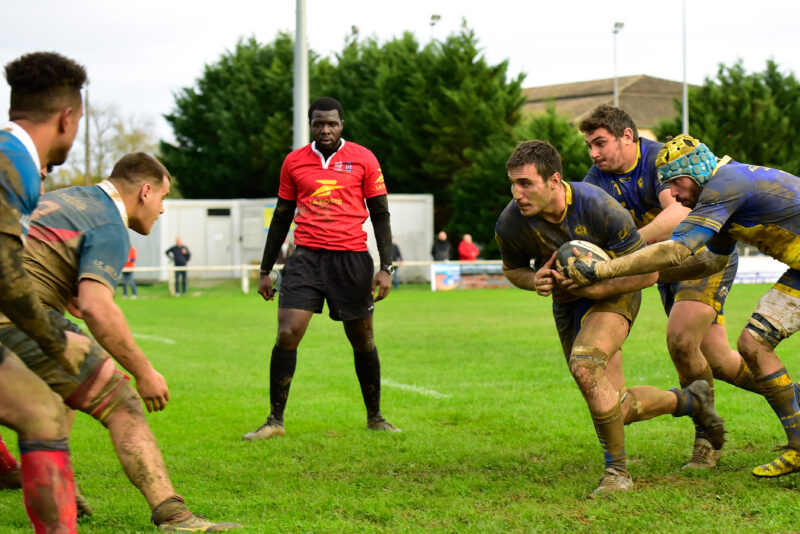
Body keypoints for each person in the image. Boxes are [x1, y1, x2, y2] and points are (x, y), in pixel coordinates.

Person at [0, 152, 242, 532]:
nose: (162, 210)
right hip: (15, 320)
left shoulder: (64, 198)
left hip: (16, 310)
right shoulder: (110, 224)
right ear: (145, 192)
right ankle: (173, 514)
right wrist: (143, 372)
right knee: (122, 402)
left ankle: (59, 488)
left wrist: (61, 291)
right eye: (163, 198)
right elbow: (98, 309)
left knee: (63, 389)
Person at [495, 140, 725, 494]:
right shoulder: (512, 222)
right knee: (613, 404)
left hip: (616, 293)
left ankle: (617, 474)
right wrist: (534, 280)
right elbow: (512, 269)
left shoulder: (597, 206)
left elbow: (647, 274)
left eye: (526, 183)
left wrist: (593, 288)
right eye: (513, 184)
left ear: (554, 180)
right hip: (567, 304)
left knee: (585, 365)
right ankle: (690, 400)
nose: (517, 193)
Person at [565, 133, 800, 478]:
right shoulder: (722, 195)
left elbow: (676, 249)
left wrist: (603, 269)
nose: (672, 195)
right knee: (752, 344)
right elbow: (708, 263)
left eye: (675, 184)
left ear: (693, 174)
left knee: (751, 345)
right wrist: (639, 279)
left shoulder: (725, 185)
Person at [579, 104, 757, 469]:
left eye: (600, 143)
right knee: (720, 362)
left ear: (627, 136)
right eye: (589, 147)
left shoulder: (661, 157)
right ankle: (789, 393)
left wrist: (624, 253)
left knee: (681, 340)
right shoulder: (596, 178)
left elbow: (677, 214)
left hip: (703, 254)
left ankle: (706, 438)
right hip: (661, 265)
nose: (594, 154)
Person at [243, 96, 399, 441]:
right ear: (310, 125)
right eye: (318, 123)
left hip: (351, 259)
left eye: (331, 123)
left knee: (362, 339)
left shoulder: (364, 159)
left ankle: (375, 417)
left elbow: (380, 214)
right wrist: (265, 269)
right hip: (306, 259)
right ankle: (274, 421)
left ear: (342, 124)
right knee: (287, 333)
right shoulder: (294, 162)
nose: (325, 129)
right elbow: (282, 216)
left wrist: (387, 267)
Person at [0, 51, 92, 533]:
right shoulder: (14, 163)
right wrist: (56, 337)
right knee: (41, 412)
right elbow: (5, 276)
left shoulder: (13, 158)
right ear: (67, 118)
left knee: (41, 413)